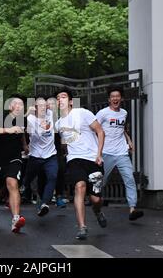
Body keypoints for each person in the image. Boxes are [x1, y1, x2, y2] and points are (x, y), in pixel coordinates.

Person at [54, 88, 106, 240]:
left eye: (63, 97)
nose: (60, 100)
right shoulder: (58, 124)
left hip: (92, 159)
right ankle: (82, 227)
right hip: (74, 160)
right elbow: (65, 143)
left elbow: (100, 131)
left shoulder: (83, 113)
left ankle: (98, 211)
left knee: (96, 199)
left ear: (70, 101)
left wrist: (99, 154)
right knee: (79, 187)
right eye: (57, 98)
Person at [96, 86, 144, 221]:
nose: (115, 99)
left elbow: (121, 129)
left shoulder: (124, 113)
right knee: (101, 182)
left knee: (129, 179)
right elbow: (94, 128)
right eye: (113, 97)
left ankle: (132, 208)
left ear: (121, 98)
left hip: (122, 152)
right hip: (106, 152)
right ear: (109, 99)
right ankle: (96, 206)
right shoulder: (102, 113)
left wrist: (129, 140)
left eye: (117, 96)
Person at [0, 95, 28, 233]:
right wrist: (8, 130)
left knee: (12, 182)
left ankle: (16, 219)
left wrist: (25, 146)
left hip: (14, 159)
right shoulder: (2, 118)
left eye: (21, 104)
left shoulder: (23, 120)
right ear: (10, 106)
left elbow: (21, 134)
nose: (19, 106)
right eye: (16, 103)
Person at [23, 96, 58, 216]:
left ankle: (44, 204)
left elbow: (57, 105)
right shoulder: (31, 118)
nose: (43, 108)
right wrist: (29, 111)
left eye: (45, 106)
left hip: (50, 155)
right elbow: (22, 122)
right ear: (36, 108)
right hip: (36, 155)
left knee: (52, 176)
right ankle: (23, 187)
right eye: (40, 106)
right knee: (29, 177)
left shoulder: (51, 114)